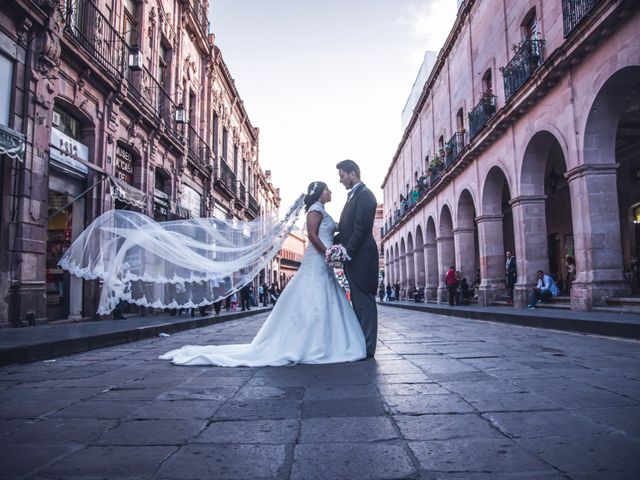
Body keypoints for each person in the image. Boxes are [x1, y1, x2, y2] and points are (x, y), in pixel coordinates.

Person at [160, 181, 366, 366]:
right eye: (327, 188)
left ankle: (324, 340)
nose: (331, 191)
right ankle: (313, 343)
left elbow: (331, 231)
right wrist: (328, 252)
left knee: (322, 297)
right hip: (317, 259)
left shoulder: (321, 209)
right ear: (320, 192)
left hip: (323, 262)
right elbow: (312, 235)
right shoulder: (315, 210)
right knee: (314, 296)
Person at [336, 160, 379, 358]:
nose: (340, 180)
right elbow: (347, 229)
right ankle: (363, 345)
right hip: (356, 258)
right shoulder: (354, 196)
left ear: (353, 174)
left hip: (362, 258)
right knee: (359, 304)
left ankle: (368, 349)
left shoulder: (365, 196)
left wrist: (346, 253)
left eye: (342, 175)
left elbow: (360, 229)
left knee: (365, 303)